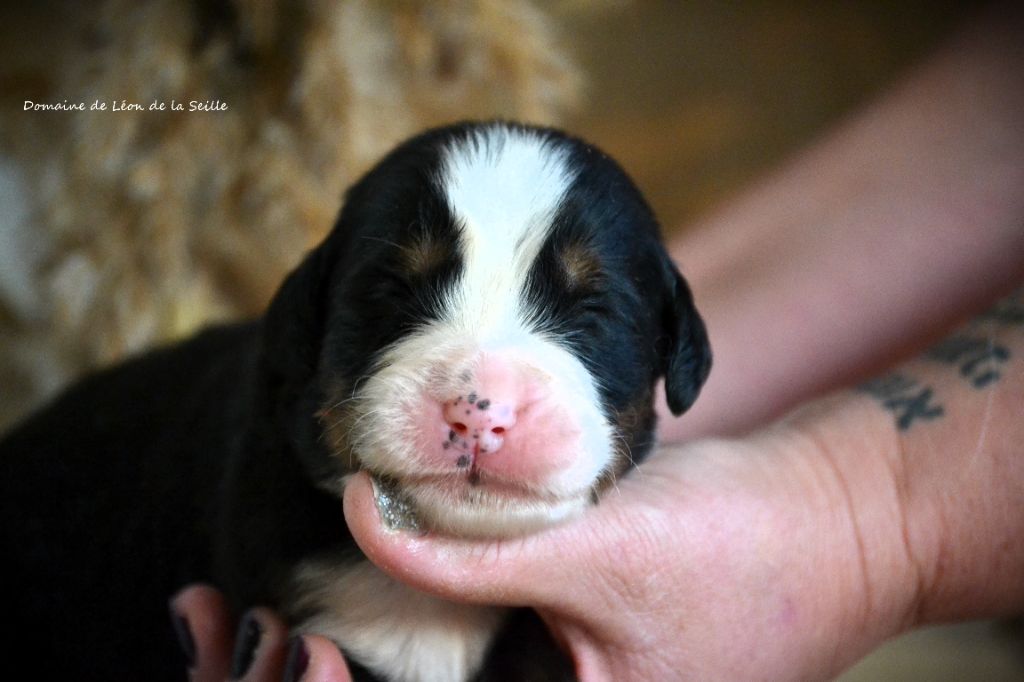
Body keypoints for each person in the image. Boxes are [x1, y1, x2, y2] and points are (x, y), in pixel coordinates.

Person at [170, 2, 1024, 679]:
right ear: (306, 323)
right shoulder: (263, 483)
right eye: (395, 295)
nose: (480, 402)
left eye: (589, 313)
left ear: (674, 354)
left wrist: (853, 528)